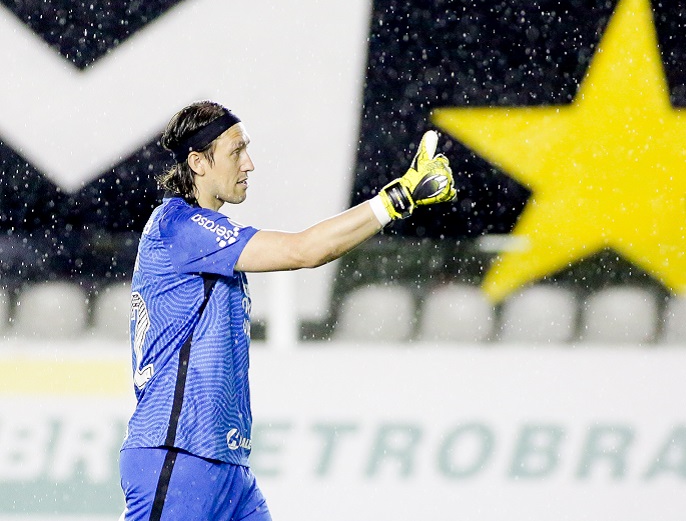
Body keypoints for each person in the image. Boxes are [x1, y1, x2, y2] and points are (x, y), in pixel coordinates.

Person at [118, 100, 456, 521]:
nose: (250, 164)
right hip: (179, 454)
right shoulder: (180, 227)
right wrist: (396, 200)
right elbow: (304, 251)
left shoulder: (198, 238)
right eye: (236, 151)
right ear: (198, 162)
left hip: (223, 465)